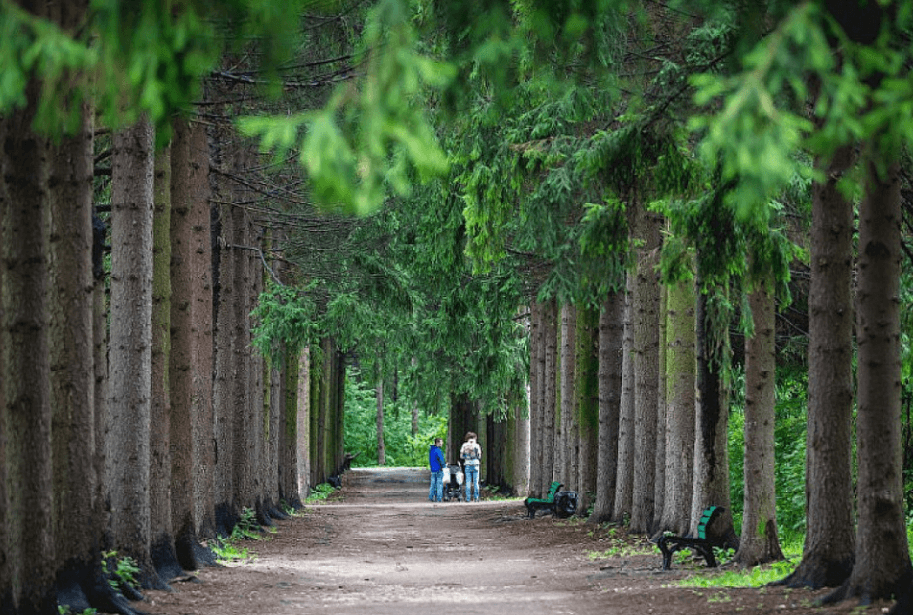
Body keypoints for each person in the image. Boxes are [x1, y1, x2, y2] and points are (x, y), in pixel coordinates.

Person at [460, 431, 482, 502]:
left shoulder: (464, 445)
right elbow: (479, 455)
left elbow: (461, 456)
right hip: (475, 464)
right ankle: (476, 498)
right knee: (476, 482)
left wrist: (466, 457)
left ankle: (468, 498)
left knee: (468, 482)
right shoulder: (477, 445)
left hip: (468, 464)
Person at [428, 437, 446, 502]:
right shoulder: (438, 450)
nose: (442, 443)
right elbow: (441, 460)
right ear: (437, 443)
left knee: (433, 484)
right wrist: (444, 466)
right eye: (441, 442)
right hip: (439, 469)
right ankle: (439, 498)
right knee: (439, 484)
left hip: (433, 469)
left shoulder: (431, 450)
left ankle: (431, 496)